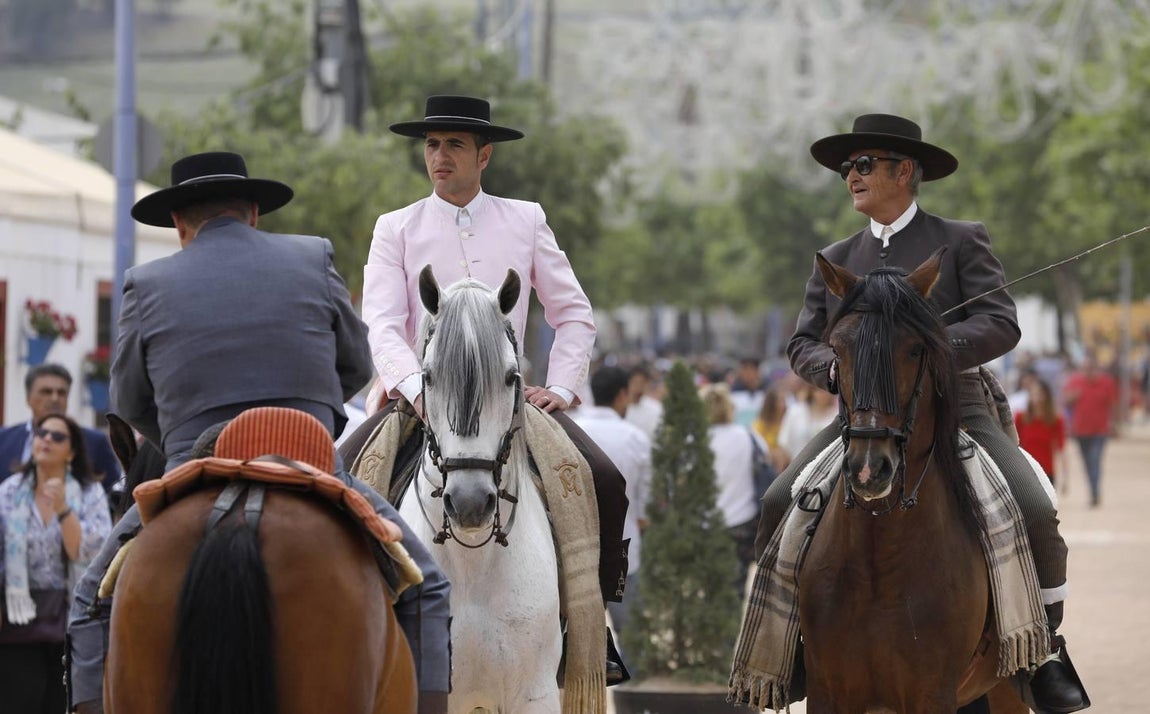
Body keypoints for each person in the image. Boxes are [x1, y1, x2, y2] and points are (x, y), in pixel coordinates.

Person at [68, 151, 452, 714]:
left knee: (90, 603)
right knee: (427, 588)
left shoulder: (143, 283)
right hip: (308, 454)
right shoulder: (312, 256)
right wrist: (316, 419)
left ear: (179, 224)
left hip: (192, 460)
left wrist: (178, 441)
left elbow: (126, 400)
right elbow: (353, 365)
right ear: (253, 213)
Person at [754, 114, 1086, 711]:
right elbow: (804, 340)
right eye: (845, 169)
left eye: (861, 165)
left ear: (903, 171)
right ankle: (790, 648)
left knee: (1034, 508)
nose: (849, 177)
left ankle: (1044, 654)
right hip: (865, 412)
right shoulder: (835, 258)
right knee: (780, 500)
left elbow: (1002, 322)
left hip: (957, 407)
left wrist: (933, 350)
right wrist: (833, 370)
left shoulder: (960, 238)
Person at [361, 95, 630, 679]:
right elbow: (381, 323)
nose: (439, 156)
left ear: (484, 155)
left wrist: (560, 386)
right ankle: (346, 628)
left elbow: (574, 314)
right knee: (338, 480)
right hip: (415, 399)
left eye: (454, 145)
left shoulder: (525, 219)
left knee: (605, 478)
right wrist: (414, 387)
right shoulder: (395, 227)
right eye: (432, 145)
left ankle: (590, 628)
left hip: (506, 402)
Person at [1, 412, 111, 714]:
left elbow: (92, 553)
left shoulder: (89, 493)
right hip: (15, 623)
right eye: (41, 433)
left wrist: (63, 509)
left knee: (58, 703)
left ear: (71, 451)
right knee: (17, 700)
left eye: (57, 436)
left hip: (71, 620)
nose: (46, 439)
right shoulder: (9, 491)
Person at [572, 366, 651, 649]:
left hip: (572, 553)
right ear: (622, 395)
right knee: (631, 637)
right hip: (623, 552)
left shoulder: (568, 429)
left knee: (575, 640)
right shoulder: (635, 437)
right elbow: (646, 508)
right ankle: (630, 688)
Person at [0, 364, 122, 492]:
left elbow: (114, 495)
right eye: (46, 392)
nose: (54, 398)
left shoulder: (94, 442)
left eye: (61, 393)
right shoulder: (3, 439)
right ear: (28, 398)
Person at [699, 382, 766, 603]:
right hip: (742, 524)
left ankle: (711, 634)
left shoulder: (695, 441)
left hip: (705, 526)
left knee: (709, 588)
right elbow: (766, 465)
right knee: (736, 589)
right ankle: (729, 637)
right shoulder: (747, 436)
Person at [1062, 353, 1119, 507]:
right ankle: (1092, 488)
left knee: (1095, 461)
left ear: (1096, 368)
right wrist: (1073, 397)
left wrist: (1113, 424)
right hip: (1080, 430)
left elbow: (1112, 404)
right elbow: (1065, 401)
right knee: (1087, 462)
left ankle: (1094, 492)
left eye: (1091, 368)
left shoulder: (1107, 382)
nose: (1088, 371)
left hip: (1100, 430)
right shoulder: (1075, 381)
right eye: (1085, 368)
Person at [1015, 376, 1066, 488]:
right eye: (1034, 394)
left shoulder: (1055, 420)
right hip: (1026, 472)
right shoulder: (1020, 418)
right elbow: (1013, 445)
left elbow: (1061, 449)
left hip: (1047, 472)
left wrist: (1065, 478)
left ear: (1047, 397)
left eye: (1040, 394)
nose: (1037, 398)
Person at [625, 362, 664, 441]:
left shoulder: (656, 408)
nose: (638, 386)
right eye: (635, 382)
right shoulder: (620, 407)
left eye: (642, 383)